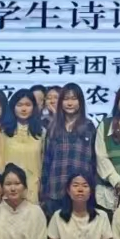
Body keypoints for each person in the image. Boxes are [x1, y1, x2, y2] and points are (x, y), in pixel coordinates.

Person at [41, 83, 100, 215]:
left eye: (74, 99)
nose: (69, 103)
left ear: (80, 102)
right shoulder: (53, 127)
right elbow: (47, 160)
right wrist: (43, 189)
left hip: (81, 190)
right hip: (56, 188)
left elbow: (94, 161)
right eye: (66, 99)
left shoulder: (88, 126)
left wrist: (93, 187)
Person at [0, 89, 46, 192]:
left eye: (28, 105)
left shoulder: (41, 132)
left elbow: (43, 162)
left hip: (33, 186)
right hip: (9, 187)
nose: (24, 109)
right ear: (13, 107)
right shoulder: (4, 131)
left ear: (34, 107)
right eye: (19, 105)